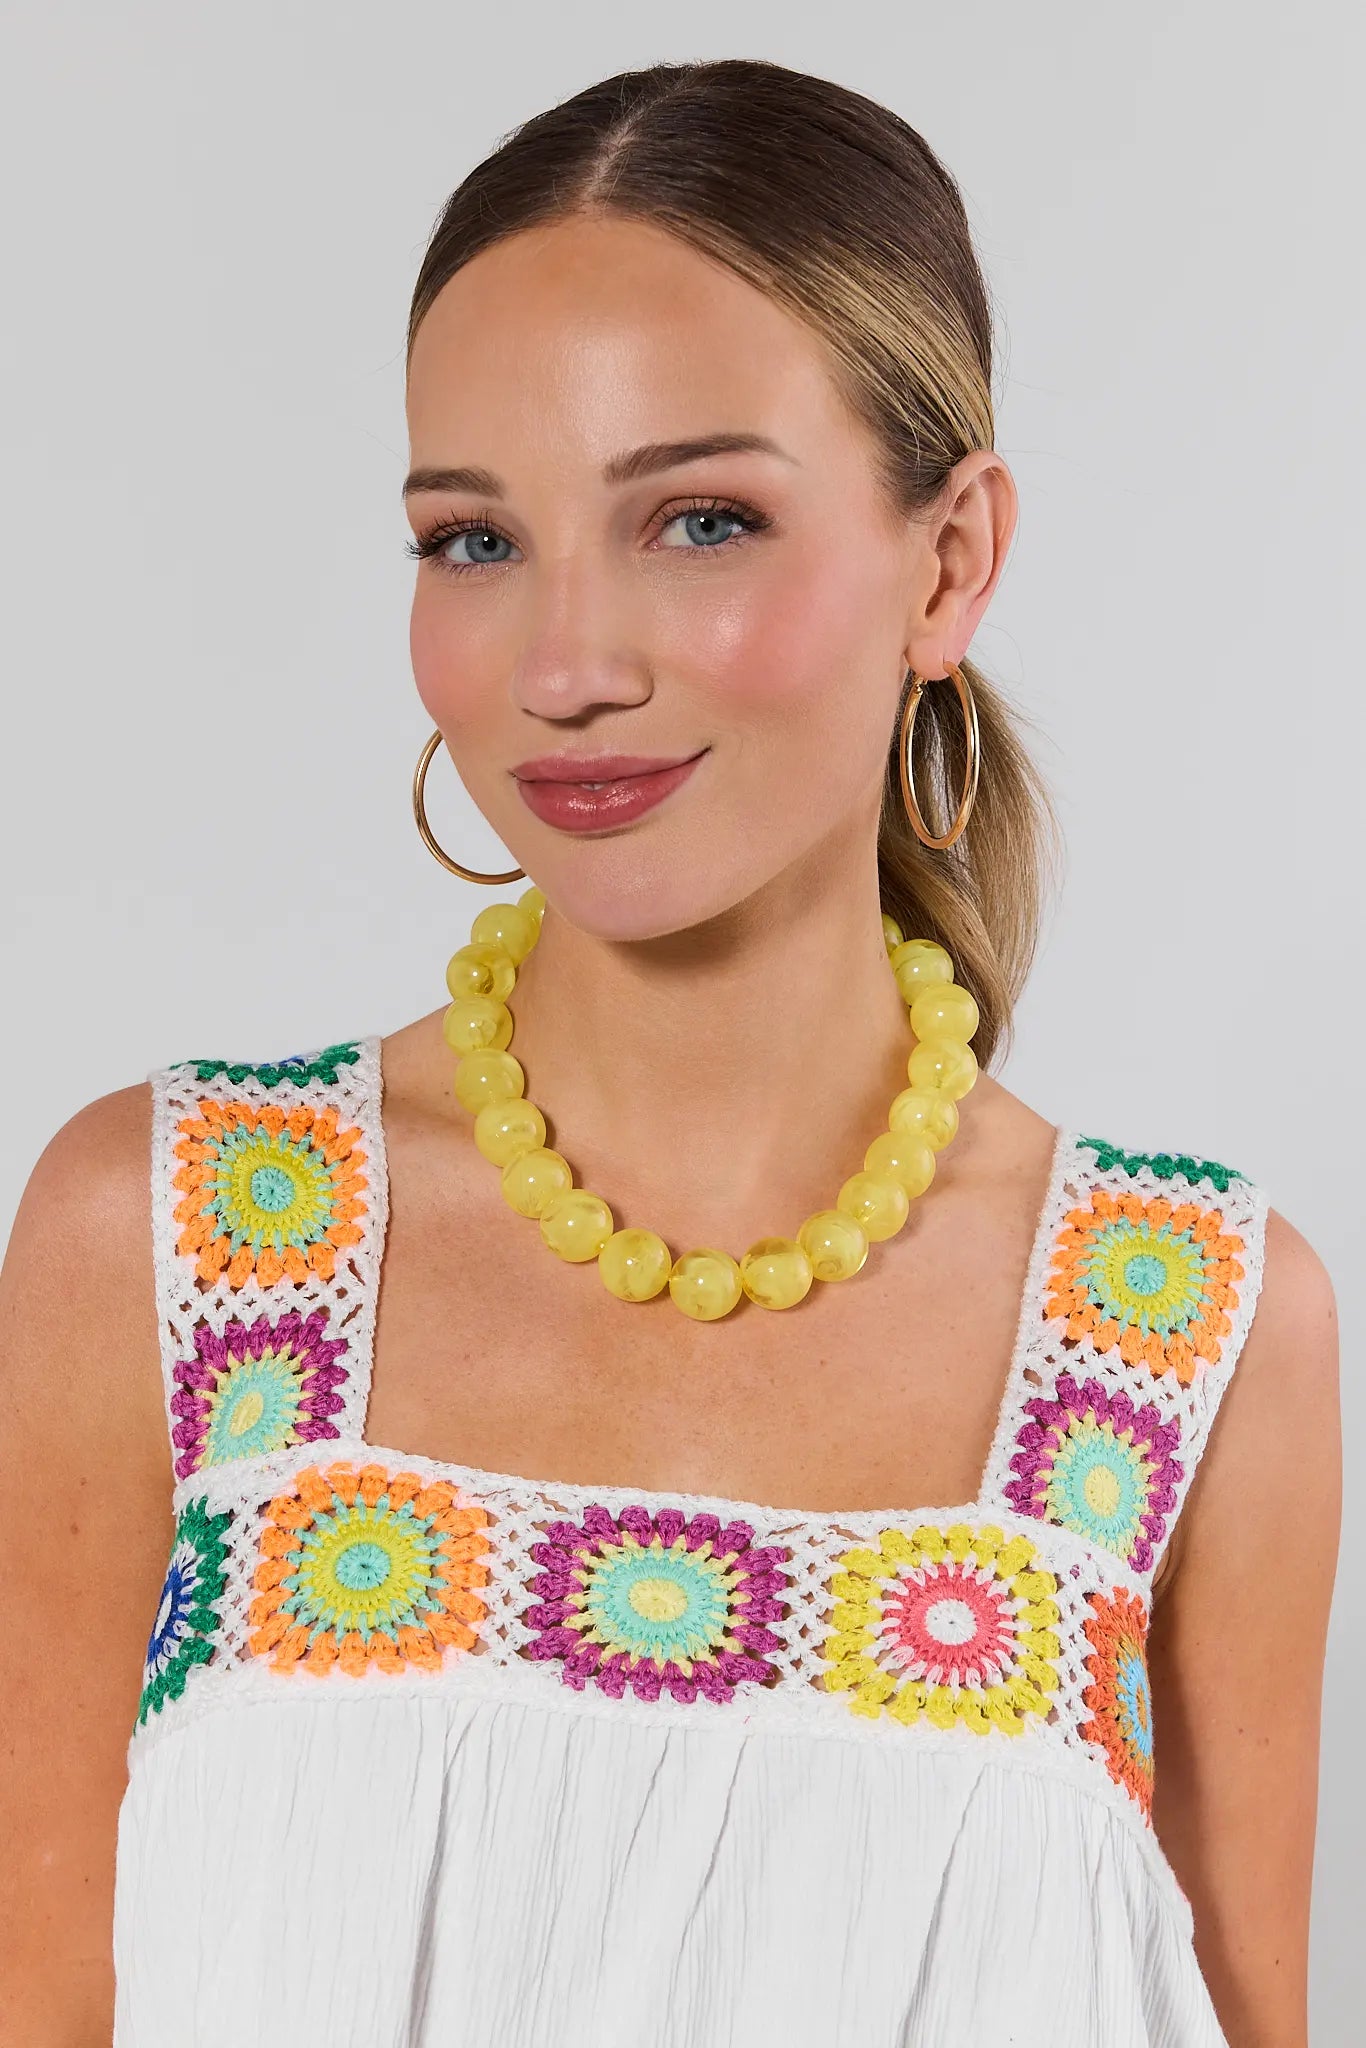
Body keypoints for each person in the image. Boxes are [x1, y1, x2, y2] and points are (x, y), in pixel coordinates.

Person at [0, 54, 1340, 2048]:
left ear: (949, 560)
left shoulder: (1189, 1329)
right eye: (473, 540)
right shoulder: (174, 1241)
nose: (560, 667)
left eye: (697, 518)